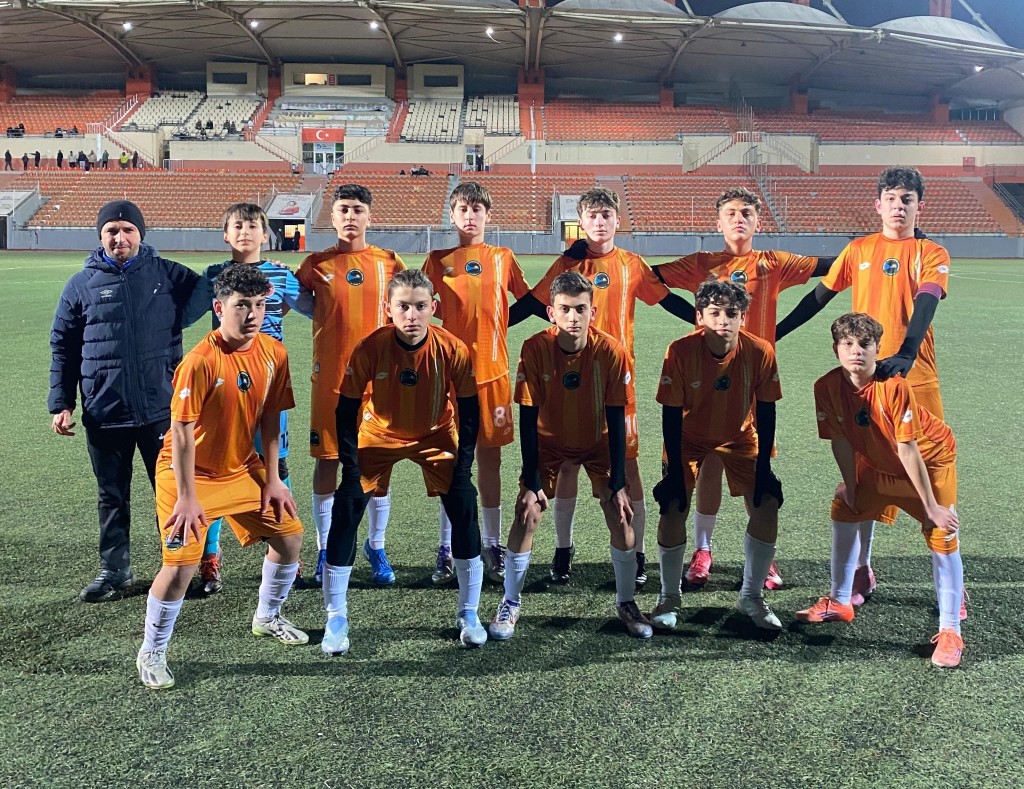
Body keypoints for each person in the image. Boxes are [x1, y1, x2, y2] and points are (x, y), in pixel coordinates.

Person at [776, 166, 951, 608]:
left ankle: (952, 585)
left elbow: (927, 299)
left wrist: (907, 351)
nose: (898, 206)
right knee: (862, 475)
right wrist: (774, 333)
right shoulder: (859, 249)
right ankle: (862, 570)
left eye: (907, 199)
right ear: (878, 204)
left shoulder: (930, 251)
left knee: (931, 481)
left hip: (915, 376)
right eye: (891, 198)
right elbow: (819, 296)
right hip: (865, 380)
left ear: (919, 206)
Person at [510, 186, 692, 589]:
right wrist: (496, 323)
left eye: (606, 214)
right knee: (567, 465)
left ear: (617, 220)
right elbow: (535, 304)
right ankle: (563, 548)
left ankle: (637, 552)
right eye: (592, 216)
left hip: (617, 383)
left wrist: (704, 319)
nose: (599, 222)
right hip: (568, 381)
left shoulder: (631, 264)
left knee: (628, 467)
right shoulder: (567, 263)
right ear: (581, 221)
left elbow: (666, 300)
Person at [653, 187, 834, 591]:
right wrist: (693, 318)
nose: (739, 219)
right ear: (718, 222)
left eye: (746, 213)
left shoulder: (774, 263)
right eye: (731, 213)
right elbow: (646, 276)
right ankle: (703, 550)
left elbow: (838, 265)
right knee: (708, 463)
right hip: (705, 375)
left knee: (757, 470)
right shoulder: (701, 263)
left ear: (757, 221)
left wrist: (893, 242)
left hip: (754, 378)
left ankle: (763, 560)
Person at [136, 265, 308, 689]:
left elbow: (271, 418)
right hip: (185, 474)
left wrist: (273, 478)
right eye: (241, 305)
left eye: (259, 305)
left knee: (290, 537)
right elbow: (180, 432)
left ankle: (268, 616)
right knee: (181, 567)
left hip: (241, 467)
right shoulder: (200, 360)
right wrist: (187, 497)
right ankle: (151, 651)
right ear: (219, 308)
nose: (252, 314)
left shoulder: (274, 352)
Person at [321, 269, 486, 654]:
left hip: (435, 434)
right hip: (379, 434)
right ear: (388, 309)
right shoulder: (370, 347)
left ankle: (469, 613)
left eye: (420, 306)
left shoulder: (453, 349)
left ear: (434, 308)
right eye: (403, 307)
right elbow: (345, 410)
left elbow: (470, 411)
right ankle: (336, 618)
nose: (412, 315)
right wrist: (351, 468)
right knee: (347, 507)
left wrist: (463, 467)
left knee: (464, 505)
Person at [49, 200, 205, 602]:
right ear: (100, 237)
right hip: (105, 411)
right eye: (111, 231)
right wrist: (61, 402)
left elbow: (213, 291)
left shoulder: (167, 274)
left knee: (171, 492)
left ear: (140, 234)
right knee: (112, 495)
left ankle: (180, 566)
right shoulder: (80, 285)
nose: (120, 237)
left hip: (161, 410)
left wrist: (249, 266)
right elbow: (63, 347)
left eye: (127, 230)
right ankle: (114, 571)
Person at [489, 271, 652, 641]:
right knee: (527, 512)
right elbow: (528, 418)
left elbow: (616, 417)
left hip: (598, 444)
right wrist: (532, 480)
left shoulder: (611, 351)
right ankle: (510, 602)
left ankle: (626, 602)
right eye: (565, 309)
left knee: (621, 514)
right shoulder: (534, 347)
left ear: (593, 312)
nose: (573, 317)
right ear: (551, 313)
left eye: (580, 309)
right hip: (549, 444)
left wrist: (618, 483)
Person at [795, 313, 964, 668]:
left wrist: (932, 506)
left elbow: (908, 449)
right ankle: (840, 600)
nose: (856, 351)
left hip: (929, 463)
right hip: (878, 463)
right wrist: (852, 485)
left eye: (864, 344)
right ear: (836, 349)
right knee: (846, 507)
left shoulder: (895, 386)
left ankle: (950, 630)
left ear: (877, 349)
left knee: (942, 532)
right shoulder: (825, 387)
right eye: (848, 344)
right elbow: (841, 440)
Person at [188, 202, 311, 595]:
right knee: (213, 467)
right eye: (237, 225)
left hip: (268, 382)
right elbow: (180, 315)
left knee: (276, 464)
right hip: (222, 385)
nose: (245, 231)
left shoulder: (281, 275)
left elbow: (318, 308)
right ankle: (209, 557)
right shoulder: (213, 276)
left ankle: (284, 549)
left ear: (265, 234)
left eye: (253, 225)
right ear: (225, 234)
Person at [651, 280, 785, 632]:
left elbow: (767, 410)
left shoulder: (760, 351)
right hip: (688, 439)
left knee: (767, 502)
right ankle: (669, 597)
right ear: (700, 317)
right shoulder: (680, 351)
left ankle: (751, 596)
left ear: (743, 318)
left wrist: (765, 467)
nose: (723, 320)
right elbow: (670, 413)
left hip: (739, 437)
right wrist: (673, 472)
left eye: (731, 313)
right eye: (714, 313)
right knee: (673, 505)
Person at [421, 181, 532, 586]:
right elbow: (420, 305)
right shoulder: (438, 260)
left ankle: (491, 544)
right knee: (449, 460)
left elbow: (530, 300)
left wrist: (500, 326)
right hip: (449, 376)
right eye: (463, 209)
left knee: (490, 461)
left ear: (488, 214)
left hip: (493, 374)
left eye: (477, 209)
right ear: (451, 216)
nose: (470, 216)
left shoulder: (502, 257)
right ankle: (446, 547)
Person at [296, 184, 405, 587]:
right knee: (327, 461)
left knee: (378, 462)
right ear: (332, 216)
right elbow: (294, 300)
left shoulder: (389, 262)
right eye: (343, 209)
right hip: (330, 380)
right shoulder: (315, 265)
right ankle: (325, 549)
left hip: (379, 382)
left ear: (369, 216)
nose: (350, 216)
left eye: (357, 209)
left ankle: (376, 546)